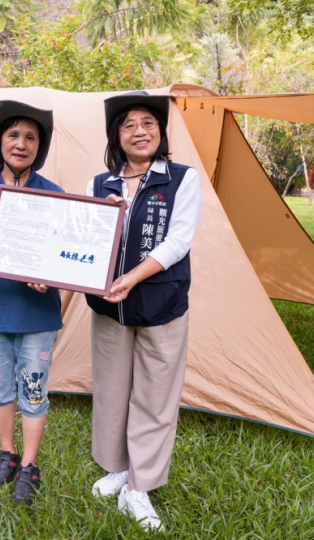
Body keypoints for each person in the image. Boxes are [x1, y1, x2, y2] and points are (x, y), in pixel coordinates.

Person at [85, 91, 202, 531]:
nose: (139, 131)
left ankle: (141, 486)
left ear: (160, 132)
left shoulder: (181, 179)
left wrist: (132, 277)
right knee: (113, 389)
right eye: (129, 124)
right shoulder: (102, 184)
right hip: (108, 307)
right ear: (117, 135)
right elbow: (84, 237)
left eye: (148, 124)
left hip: (161, 303)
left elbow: (178, 242)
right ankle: (118, 467)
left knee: (155, 396)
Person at [0, 101, 63, 505]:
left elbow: (61, 256)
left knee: (33, 392)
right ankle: (8, 452)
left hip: (37, 314)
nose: (21, 144)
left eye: (31, 137)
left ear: (40, 146)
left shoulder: (55, 196)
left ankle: (30, 465)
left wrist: (48, 278)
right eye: (13, 135)